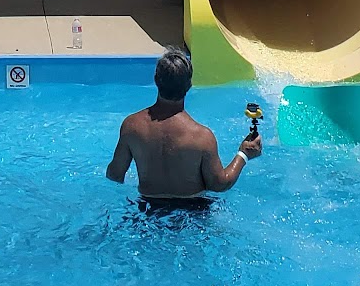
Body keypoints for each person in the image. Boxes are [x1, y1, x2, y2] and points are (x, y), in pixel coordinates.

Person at [106, 48, 261, 212]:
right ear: (189, 85)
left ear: (156, 80)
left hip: (147, 208)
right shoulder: (202, 137)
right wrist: (244, 154)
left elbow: (115, 175)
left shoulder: (132, 126)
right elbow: (219, 184)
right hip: (193, 210)